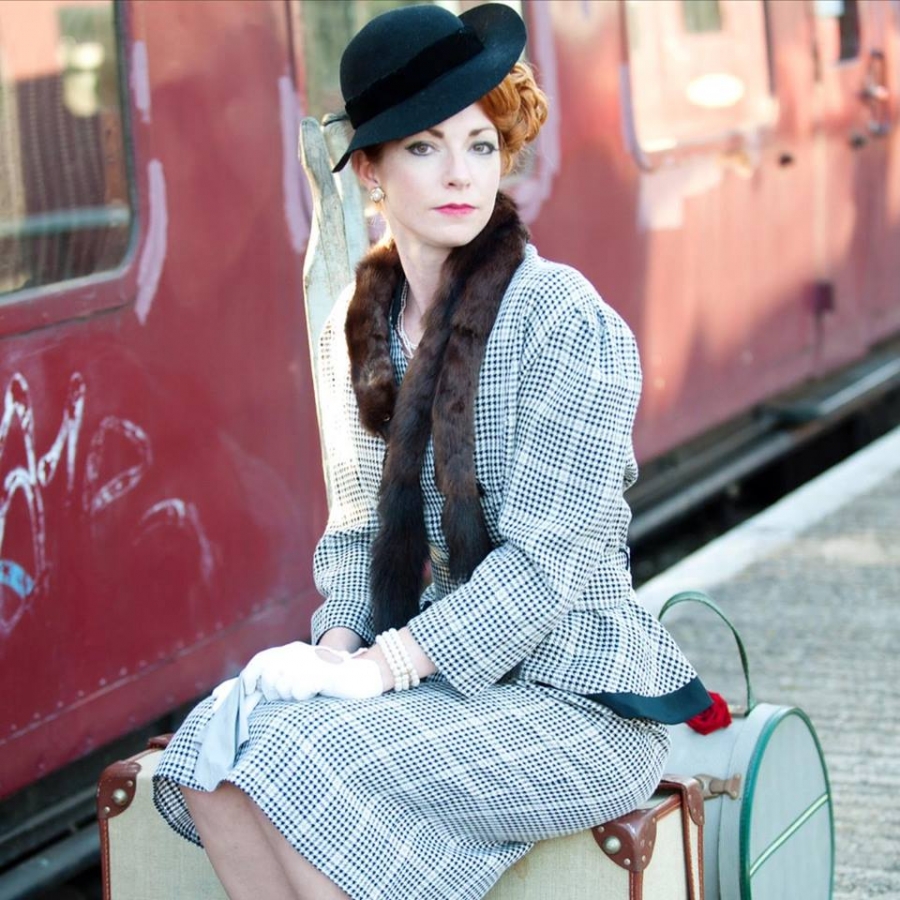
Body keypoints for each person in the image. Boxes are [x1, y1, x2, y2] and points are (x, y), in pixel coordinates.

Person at [153, 4, 711, 899]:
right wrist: (334, 654)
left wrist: (382, 669)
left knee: (298, 763)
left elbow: (545, 570)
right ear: (370, 170)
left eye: (481, 145)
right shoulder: (359, 330)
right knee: (208, 755)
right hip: (440, 686)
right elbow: (357, 530)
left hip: (577, 701)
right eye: (424, 146)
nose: (460, 173)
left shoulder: (565, 321)